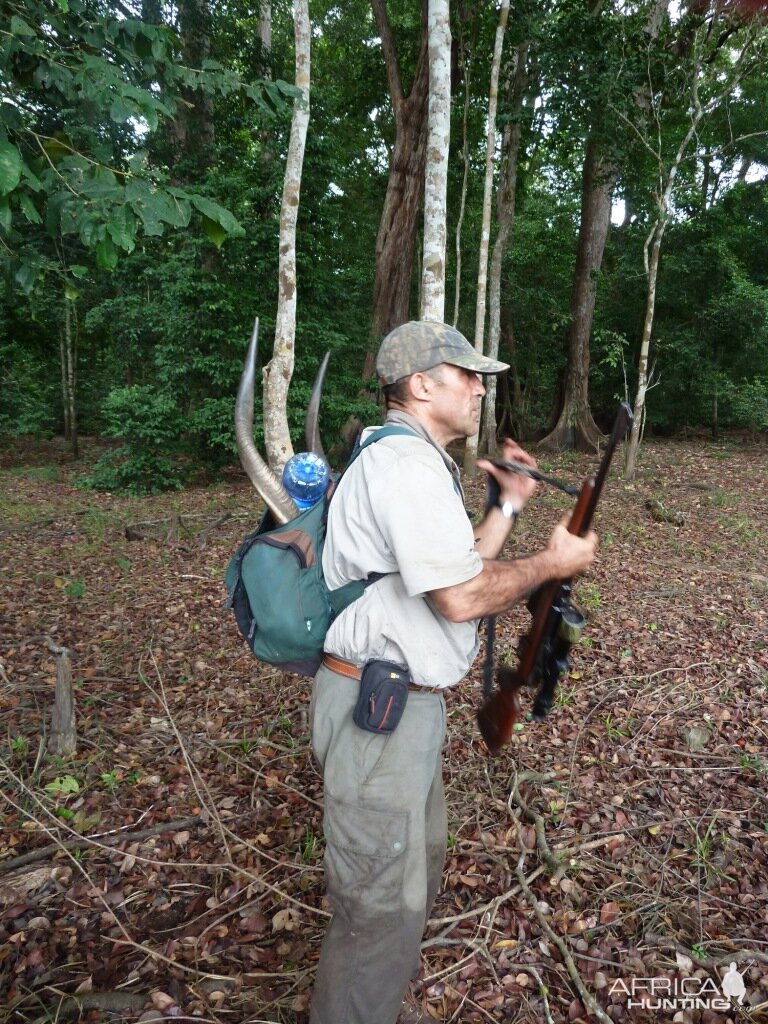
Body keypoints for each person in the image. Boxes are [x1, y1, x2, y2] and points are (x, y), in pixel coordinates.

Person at [308, 320, 598, 1024]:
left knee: (408, 876)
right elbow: (462, 597)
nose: (477, 386)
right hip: (378, 714)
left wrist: (506, 506)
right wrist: (551, 566)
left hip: (399, 711)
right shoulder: (403, 464)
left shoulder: (408, 458)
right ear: (420, 384)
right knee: (378, 904)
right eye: (465, 374)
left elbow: (454, 564)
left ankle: (369, 1005)